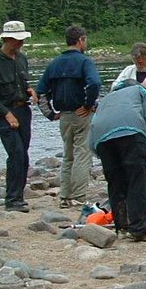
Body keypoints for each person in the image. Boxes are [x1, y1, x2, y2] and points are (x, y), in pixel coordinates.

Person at [35, 25, 102, 209]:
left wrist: (49, 113)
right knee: (83, 154)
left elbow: (40, 92)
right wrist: (88, 105)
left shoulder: (54, 63)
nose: (86, 43)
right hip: (81, 114)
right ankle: (79, 196)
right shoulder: (84, 62)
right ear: (80, 40)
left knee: (68, 156)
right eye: (85, 40)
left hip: (63, 115)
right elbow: (94, 83)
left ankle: (65, 196)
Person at [89, 82, 146, 241]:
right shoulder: (141, 91)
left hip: (102, 139)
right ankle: (138, 229)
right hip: (132, 134)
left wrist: (99, 152)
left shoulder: (106, 99)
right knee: (136, 181)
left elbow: (93, 125)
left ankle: (121, 228)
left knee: (115, 183)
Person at [0, 20, 38, 212]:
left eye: (22, 40)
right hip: (3, 113)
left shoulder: (22, 59)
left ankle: (18, 196)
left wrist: (30, 90)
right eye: (17, 40)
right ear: (6, 39)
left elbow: (23, 83)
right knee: (16, 154)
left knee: (24, 155)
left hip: (23, 110)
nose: (21, 44)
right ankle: (12, 200)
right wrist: (7, 114)